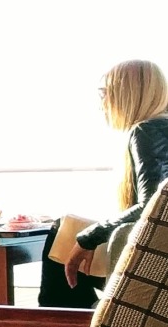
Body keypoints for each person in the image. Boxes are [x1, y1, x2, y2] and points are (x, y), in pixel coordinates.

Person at [38, 59, 168, 308]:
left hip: (152, 254)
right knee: (67, 229)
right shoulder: (162, 126)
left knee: (61, 232)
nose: (101, 104)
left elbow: (153, 205)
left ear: (126, 93)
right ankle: (83, 317)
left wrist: (90, 236)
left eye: (104, 93)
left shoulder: (146, 131)